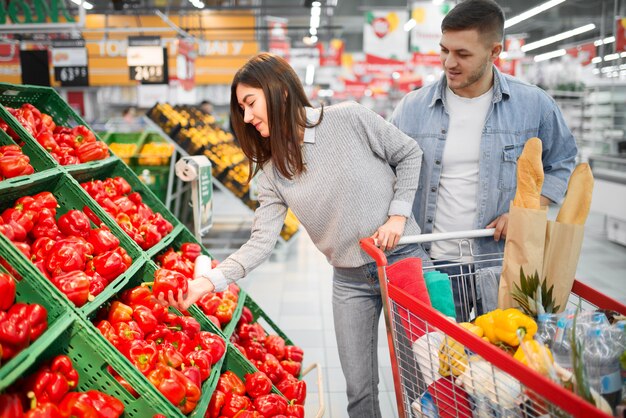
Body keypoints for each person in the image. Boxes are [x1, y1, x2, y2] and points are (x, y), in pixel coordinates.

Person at [162, 52, 427, 417]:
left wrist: (398, 216)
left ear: (281, 93)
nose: (247, 117)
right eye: (241, 109)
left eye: (251, 103)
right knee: (359, 389)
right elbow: (261, 241)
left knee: (424, 377)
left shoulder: (349, 118)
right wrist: (209, 282)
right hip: (349, 279)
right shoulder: (271, 173)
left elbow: (409, 153)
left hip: (402, 262)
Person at [390, 0, 577, 320]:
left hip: (504, 261)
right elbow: (387, 172)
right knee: (443, 365)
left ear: (494, 52)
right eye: (444, 50)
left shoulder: (533, 105)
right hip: (435, 264)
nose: (449, 62)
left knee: (504, 362)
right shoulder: (412, 109)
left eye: (463, 54)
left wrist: (527, 209)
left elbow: (563, 161)